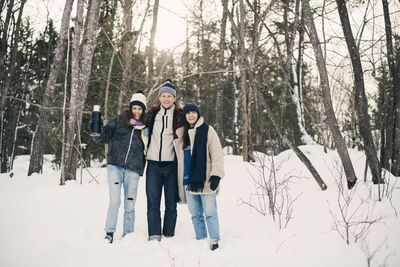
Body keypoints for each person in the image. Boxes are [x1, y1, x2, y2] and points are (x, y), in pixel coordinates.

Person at [90, 90, 148, 243]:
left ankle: (129, 234)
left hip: (134, 169)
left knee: (130, 203)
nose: (136, 111)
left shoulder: (145, 127)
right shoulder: (119, 121)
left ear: (143, 110)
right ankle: (110, 232)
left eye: (139, 109)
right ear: (130, 108)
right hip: (115, 166)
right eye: (134, 108)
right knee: (115, 201)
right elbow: (102, 137)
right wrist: (95, 126)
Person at [173, 103, 225, 251]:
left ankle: (214, 240)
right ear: (185, 116)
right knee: (195, 214)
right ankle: (200, 240)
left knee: (210, 212)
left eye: (194, 112)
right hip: (187, 181)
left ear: (198, 114)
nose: (191, 115)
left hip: (206, 179)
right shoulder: (181, 134)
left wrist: (216, 175)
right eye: (188, 113)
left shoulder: (208, 130)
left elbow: (217, 153)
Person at [145, 79, 183, 241]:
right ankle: (154, 235)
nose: (166, 99)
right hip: (153, 164)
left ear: (174, 98)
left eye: (170, 96)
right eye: (164, 96)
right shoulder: (152, 113)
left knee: (170, 203)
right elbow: (135, 122)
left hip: (171, 165)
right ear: (159, 98)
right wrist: (127, 117)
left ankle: (168, 234)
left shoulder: (180, 115)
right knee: (153, 202)